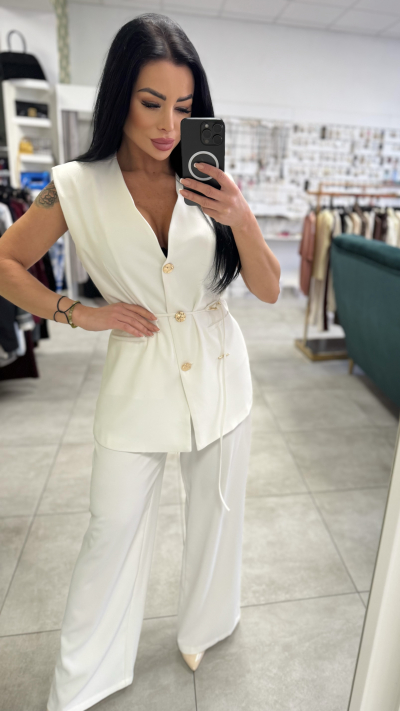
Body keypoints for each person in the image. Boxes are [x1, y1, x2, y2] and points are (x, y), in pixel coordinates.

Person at [0, 13, 280, 711]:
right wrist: (78, 312)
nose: (167, 125)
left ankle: (207, 625)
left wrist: (243, 218)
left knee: (217, 513)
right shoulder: (74, 186)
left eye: (184, 108)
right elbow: (5, 262)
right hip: (137, 379)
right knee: (112, 527)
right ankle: (85, 678)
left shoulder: (210, 182)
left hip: (220, 371)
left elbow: (270, 288)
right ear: (120, 94)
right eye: (152, 102)